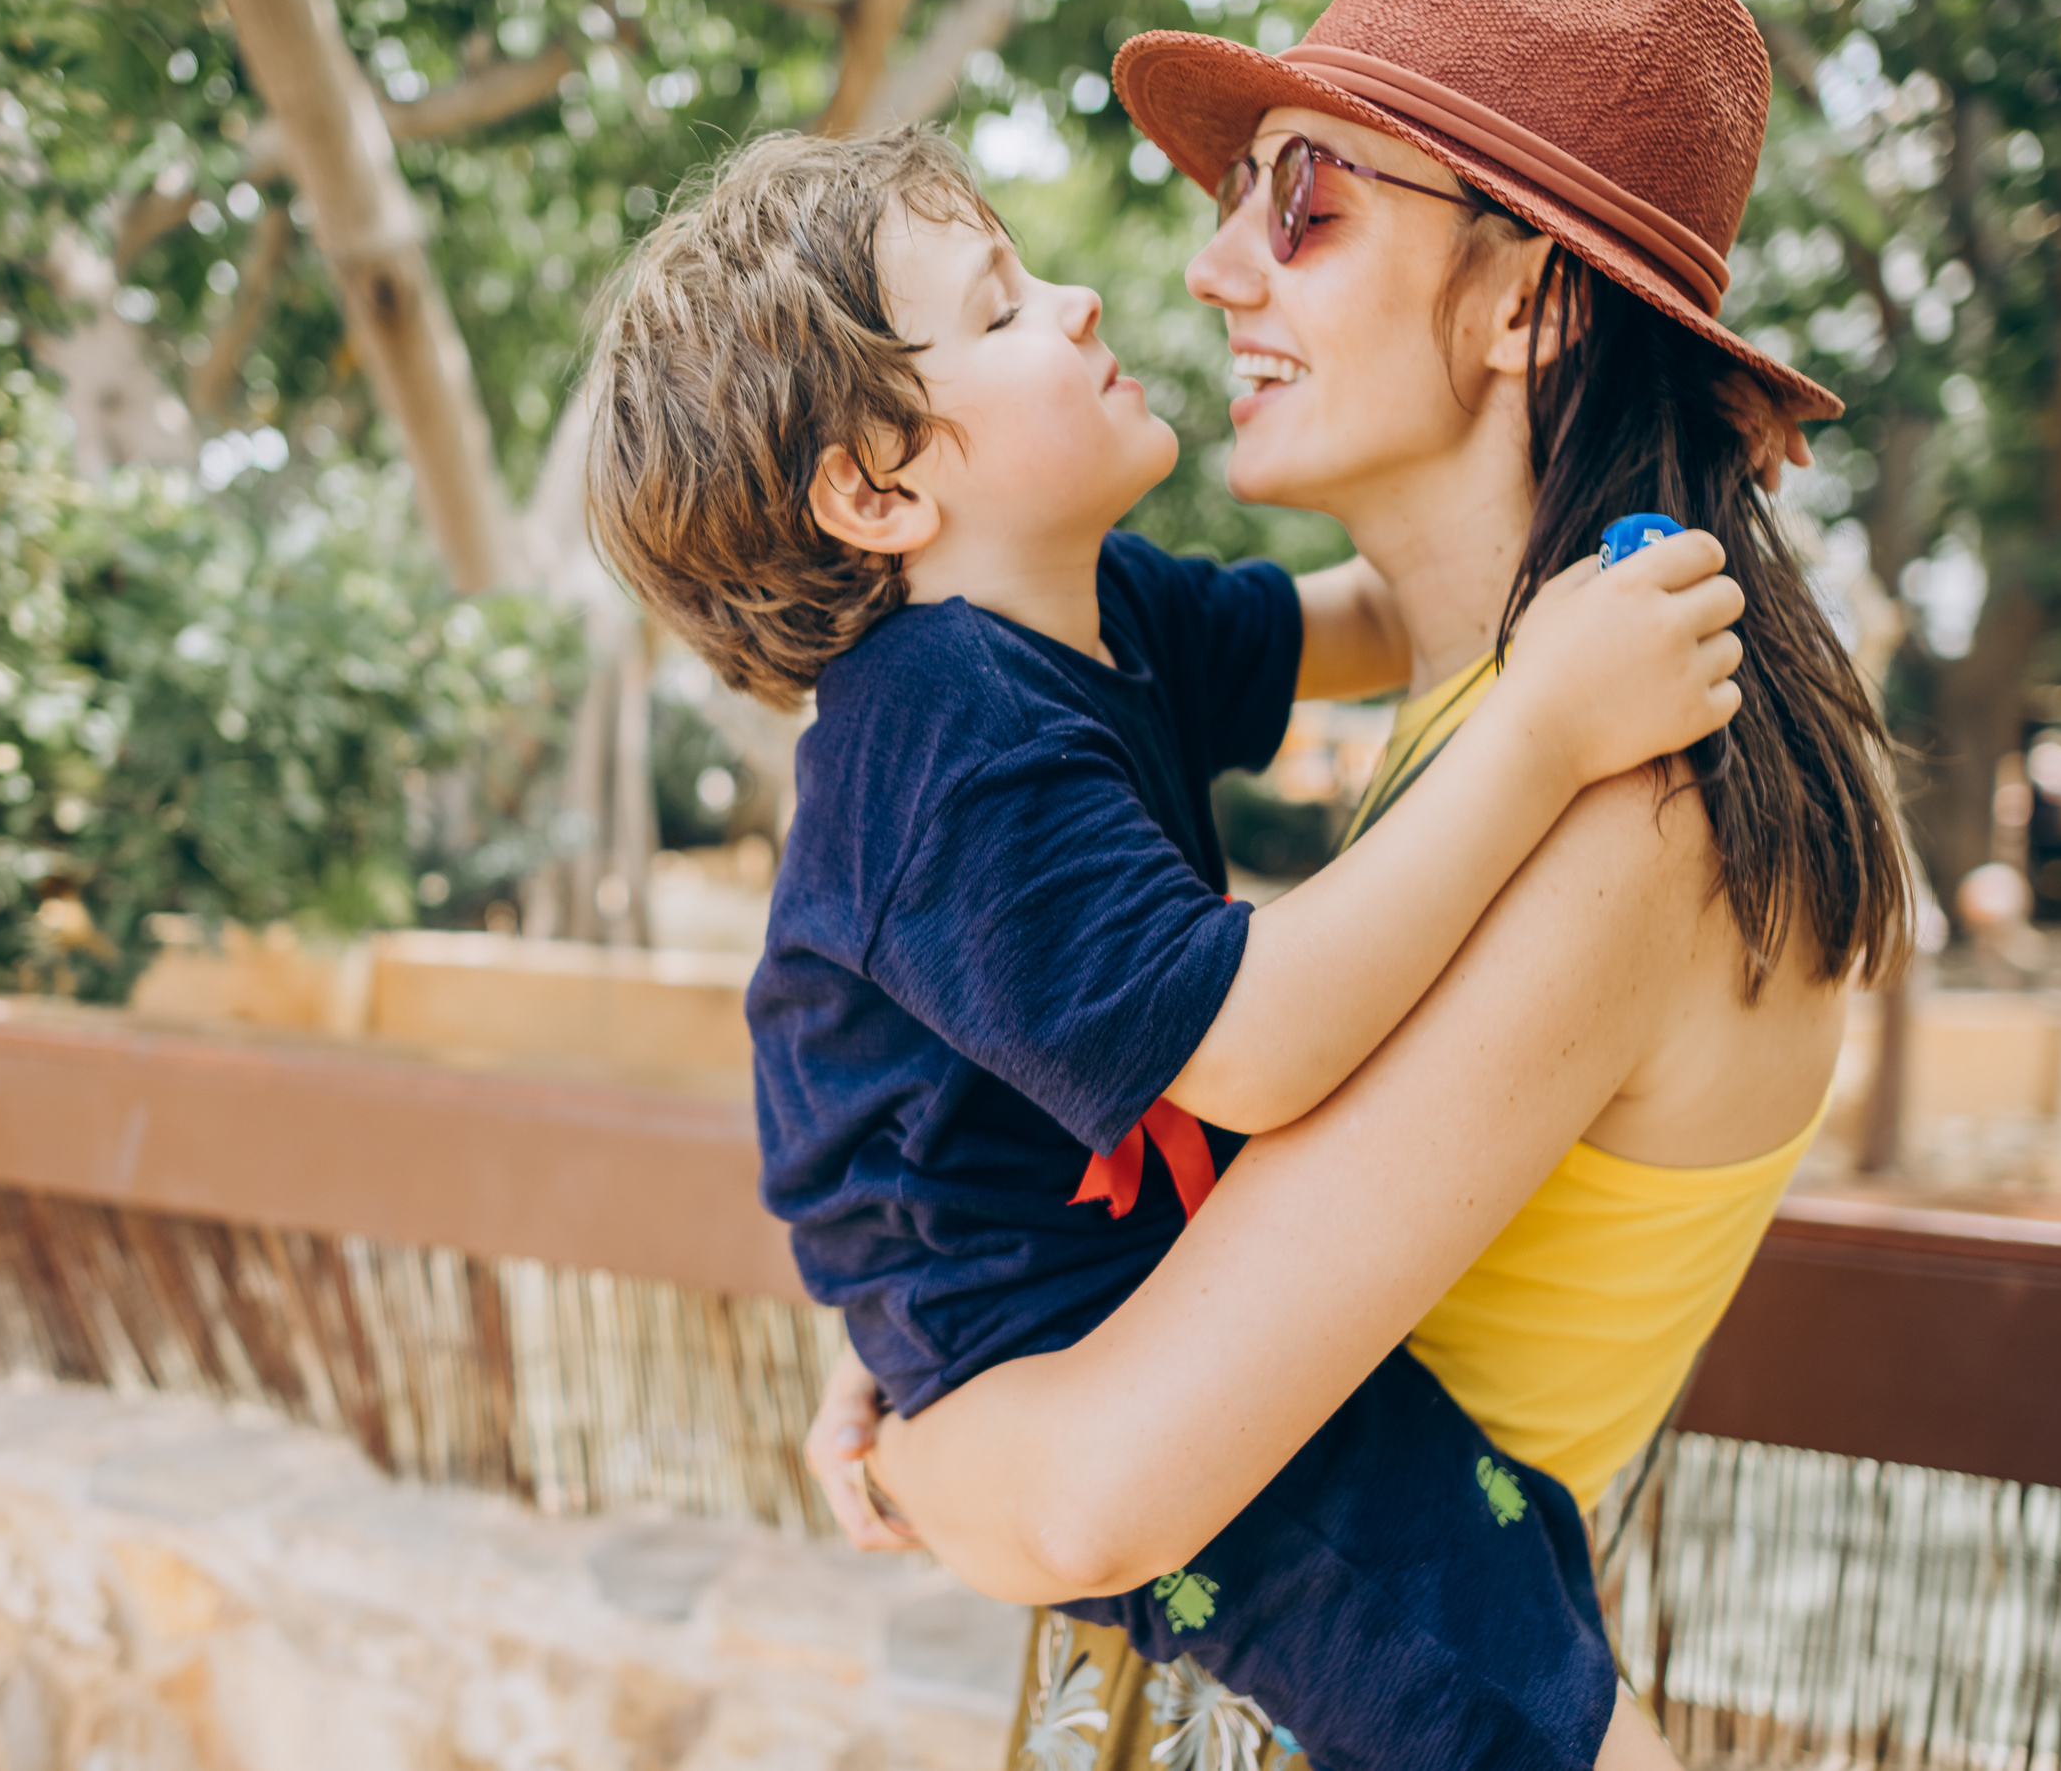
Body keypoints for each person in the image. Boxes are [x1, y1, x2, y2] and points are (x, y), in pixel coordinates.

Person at [801, 0, 1914, 1770]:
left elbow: (1091, 1500)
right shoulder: (1510, 730)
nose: (1218, 268)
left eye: (1303, 202)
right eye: (1237, 201)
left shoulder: (1622, 798)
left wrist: (927, 1433)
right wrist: (959, 1303)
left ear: (1532, 300)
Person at [581, 118, 1746, 1771]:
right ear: (879, 487)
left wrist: (1662, 461)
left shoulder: (1101, 608)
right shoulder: (939, 734)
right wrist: (1546, 728)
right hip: (1019, 1323)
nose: (1079, 301)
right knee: (1461, 1657)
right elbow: (1260, 1045)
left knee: (1497, 1577)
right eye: (998, 310)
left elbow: (1362, 619)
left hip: (1104, 1281)